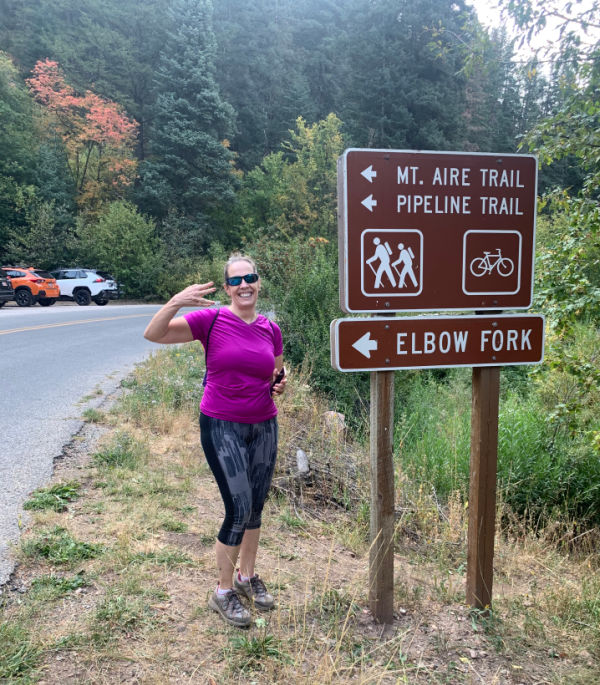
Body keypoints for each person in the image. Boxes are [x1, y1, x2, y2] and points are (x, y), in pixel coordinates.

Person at [143, 254, 286, 628]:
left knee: (255, 506)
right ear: (226, 288)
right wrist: (176, 301)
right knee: (238, 508)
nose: (245, 285)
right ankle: (222, 592)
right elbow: (154, 334)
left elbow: (276, 371)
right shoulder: (212, 320)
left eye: (250, 278)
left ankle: (246, 576)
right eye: (236, 280)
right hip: (221, 424)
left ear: (258, 282)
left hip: (264, 425)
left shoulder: (271, 328)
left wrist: (279, 384)